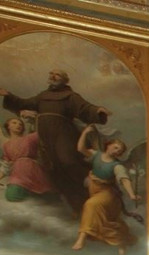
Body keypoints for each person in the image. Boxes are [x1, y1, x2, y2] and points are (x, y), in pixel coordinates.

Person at [0, 68, 110, 213]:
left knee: (68, 161)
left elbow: (84, 108)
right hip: (46, 137)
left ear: (64, 79)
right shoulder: (43, 96)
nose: (52, 76)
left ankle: (89, 181)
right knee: (55, 170)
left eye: (56, 74)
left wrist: (97, 111)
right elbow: (25, 103)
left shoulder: (70, 96)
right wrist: (9, 95)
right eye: (51, 74)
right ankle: (77, 206)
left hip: (63, 134)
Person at [71, 127, 139, 254]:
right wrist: (85, 133)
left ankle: (81, 238)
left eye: (120, 151)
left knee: (91, 205)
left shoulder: (116, 166)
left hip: (108, 194)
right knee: (107, 223)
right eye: (116, 147)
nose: (117, 151)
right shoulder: (96, 155)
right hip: (94, 189)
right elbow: (80, 149)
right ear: (109, 145)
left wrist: (131, 194)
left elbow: (124, 179)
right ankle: (121, 241)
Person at [1, 116, 53, 202]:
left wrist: (34, 119)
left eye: (20, 124)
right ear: (8, 126)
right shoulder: (6, 146)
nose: (18, 125)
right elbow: (6, 166)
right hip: (18, 173)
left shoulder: (30, 138)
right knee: (11, 196)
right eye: (14, 123)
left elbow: (44, 131)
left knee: (45, 198)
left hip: (32, 170)